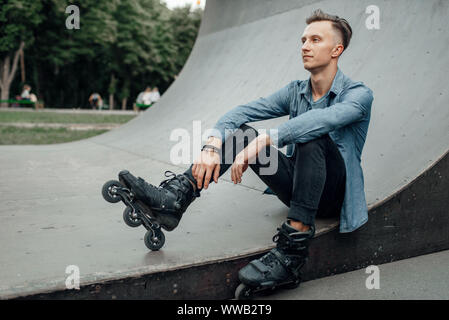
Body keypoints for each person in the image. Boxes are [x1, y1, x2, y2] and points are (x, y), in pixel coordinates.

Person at [118, 9, 373, 293]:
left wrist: (266, 138)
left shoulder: (358, 94)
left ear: (337, 49)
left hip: (334, 195)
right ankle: (176, 198)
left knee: (311, 136)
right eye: (303, 40)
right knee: (241, 134)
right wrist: (212, 146)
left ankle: (292, 254)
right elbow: (240, 112)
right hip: (298, 186)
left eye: (315, 39)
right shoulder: (296, 91)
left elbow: (321, 121)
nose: (305, 46)